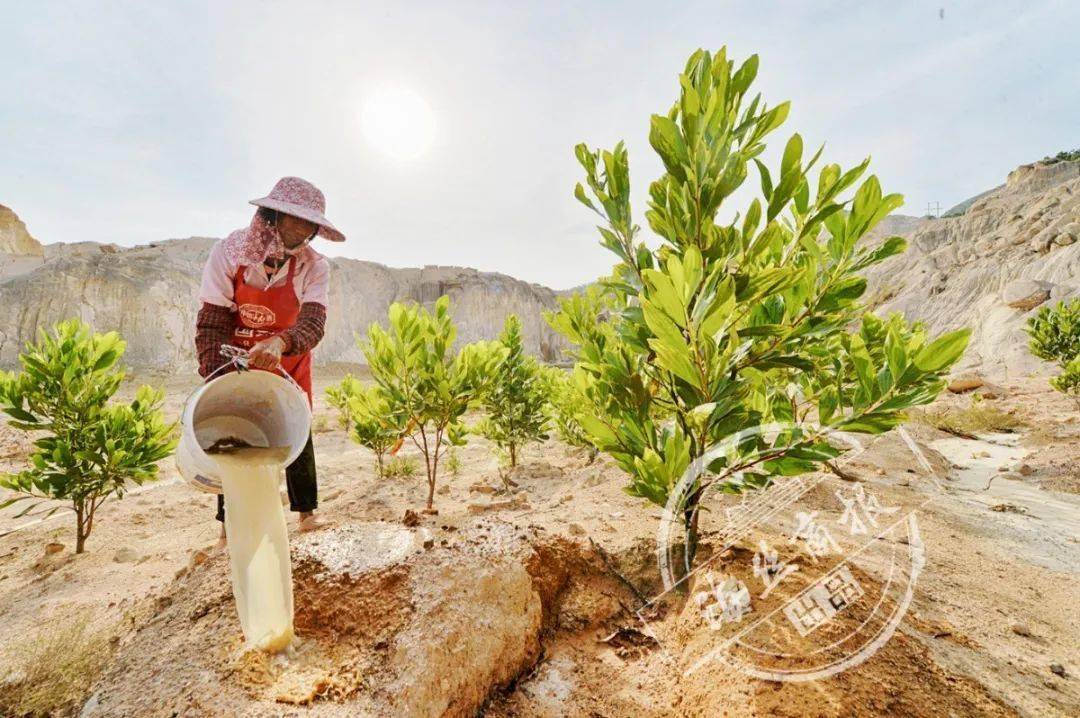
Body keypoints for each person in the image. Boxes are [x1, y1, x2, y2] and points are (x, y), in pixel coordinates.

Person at [195, 176, 343, 547]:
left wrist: (282, 342)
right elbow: (212, 321)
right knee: (234, 430)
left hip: (287, 359)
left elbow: (313, 322)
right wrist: (221, 376)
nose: (306, 230)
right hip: (237, 355)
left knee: (297, 424)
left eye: (312, 224)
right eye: (297, 219)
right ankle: (228, 526)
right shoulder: (228, 254)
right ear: (273, 216)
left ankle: (307, 512)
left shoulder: (314, 267)